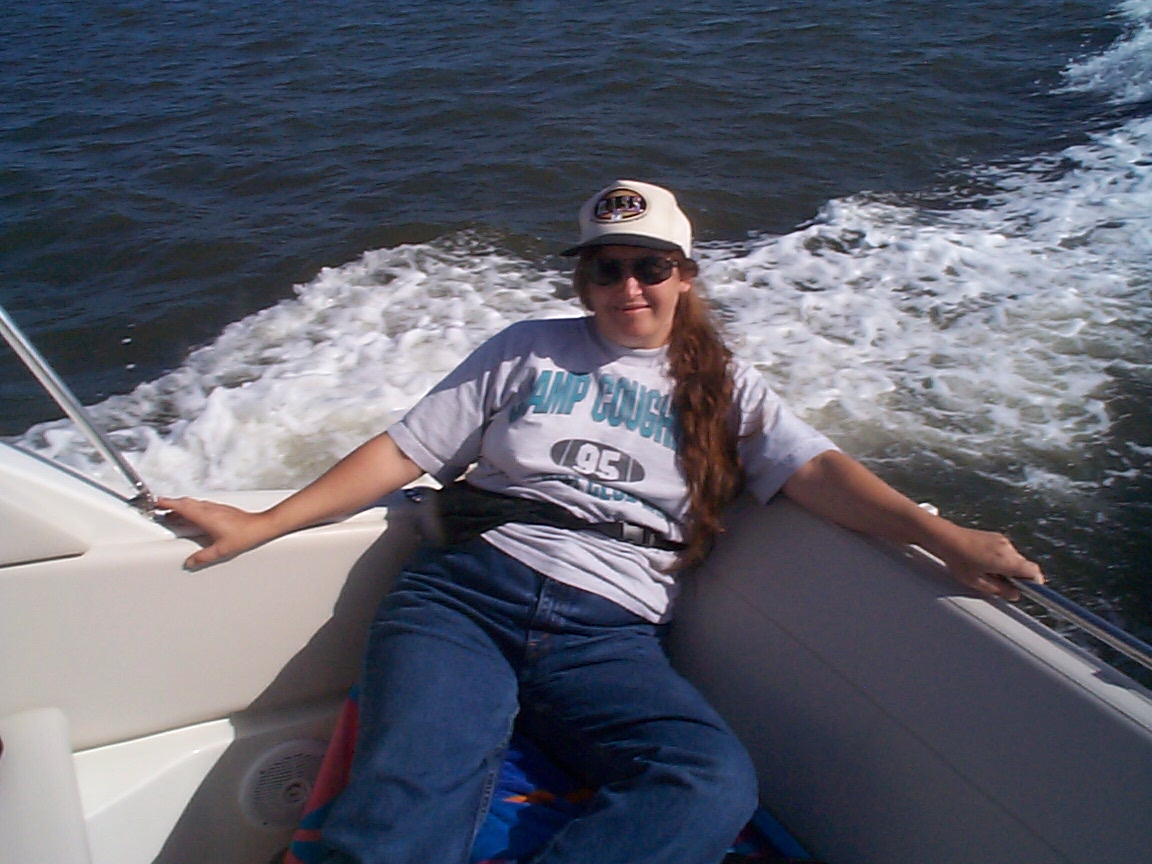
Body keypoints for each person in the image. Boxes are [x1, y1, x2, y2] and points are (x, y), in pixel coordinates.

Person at [161, 180, 1043, 864]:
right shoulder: (526, 348)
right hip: (464, 597)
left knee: (707, 783)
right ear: (582, 278)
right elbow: (403, 452)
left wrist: (943, 538)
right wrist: (264, 523)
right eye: (605, 267)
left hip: (607, 636)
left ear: (684, 275)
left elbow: (816, 472)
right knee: (400, 812)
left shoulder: (726, 388)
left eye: (649, 266)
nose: (627, 285)